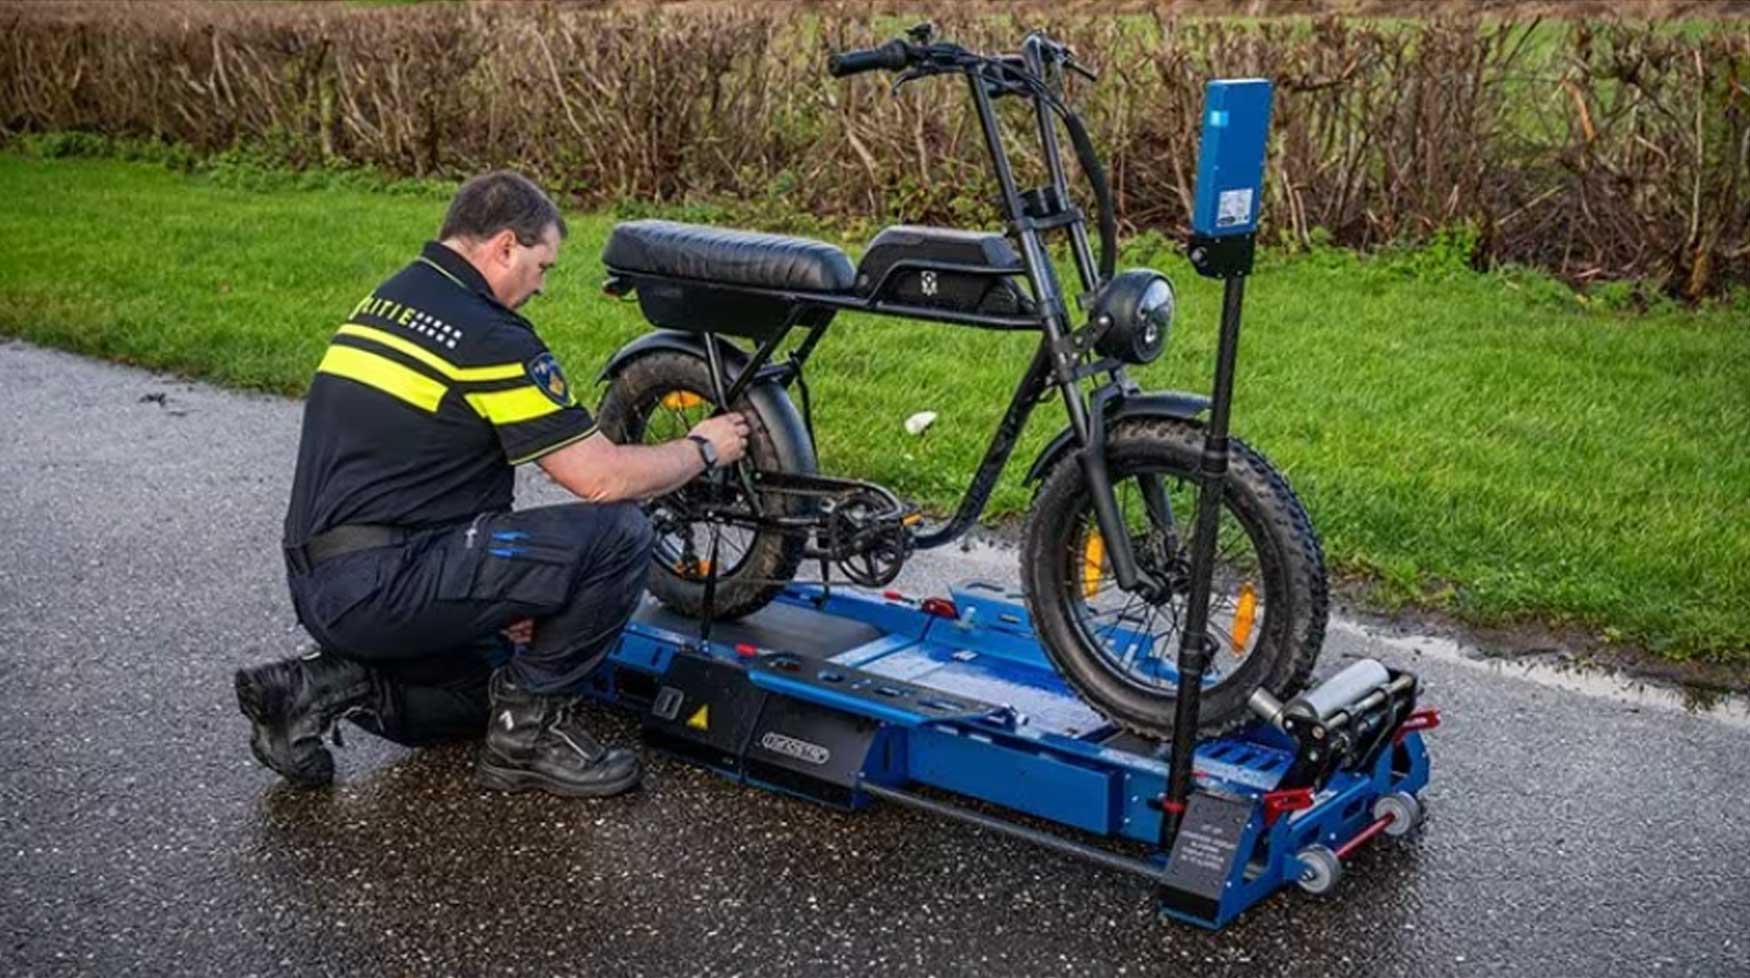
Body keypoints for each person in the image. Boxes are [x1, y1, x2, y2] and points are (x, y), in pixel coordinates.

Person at [234, 171, 748, 797]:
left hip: (325, 584)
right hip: (388, 579)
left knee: (481, 688)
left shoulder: (393, 299)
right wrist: (703, 447)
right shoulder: (486, 335)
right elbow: (603, 478)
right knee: (618, 532)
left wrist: (497, 597)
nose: (540, 286)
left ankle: (314, 690)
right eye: (541, 266)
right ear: (505, 245)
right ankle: (526, 742)